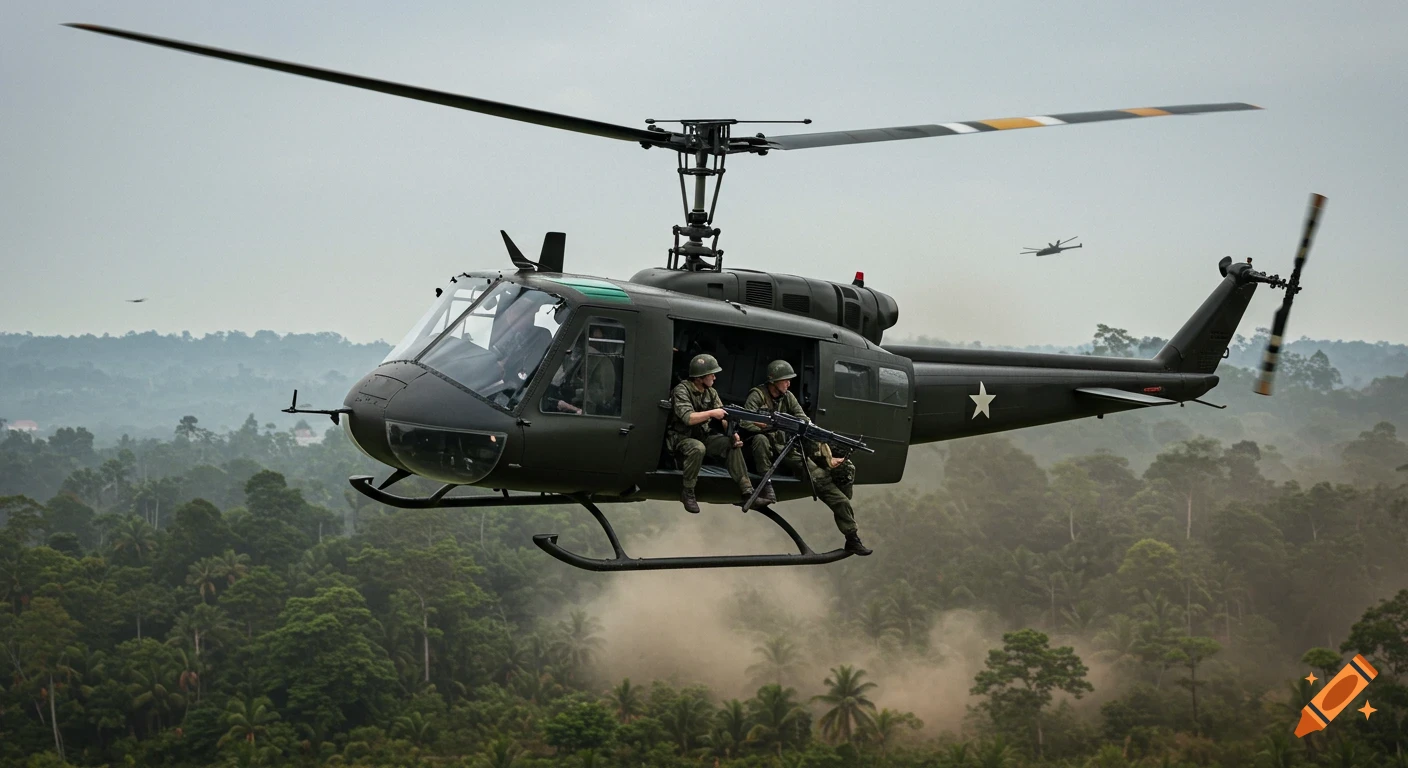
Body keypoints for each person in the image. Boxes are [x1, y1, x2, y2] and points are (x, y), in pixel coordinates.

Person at [739, 359, 871, 556]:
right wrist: (769, 427)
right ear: (774, 381)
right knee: (760, 440)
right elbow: (744, 421)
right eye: (785, 380)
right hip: (761, 450)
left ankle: (852, 537)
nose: (788, 383)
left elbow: (804, 420)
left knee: (827, 484)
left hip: (788, 449)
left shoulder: (788, 397)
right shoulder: (757, 395)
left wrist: (815, 439)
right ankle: (766, 487)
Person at [666, 353, 754, 514]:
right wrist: (712, 413)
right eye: (711, 374)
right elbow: (688, 418)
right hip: (681, 439)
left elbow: (723, 416)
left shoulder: (711, 392)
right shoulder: (682, 390)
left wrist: (732, 434)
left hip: (702, 436)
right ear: (700, 377)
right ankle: (688, 491)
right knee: (698, 448)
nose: (714, 377)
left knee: (731, 444)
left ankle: (747, 491)